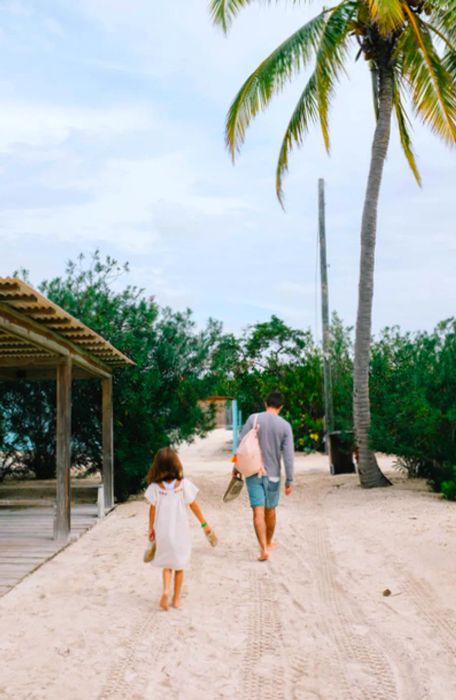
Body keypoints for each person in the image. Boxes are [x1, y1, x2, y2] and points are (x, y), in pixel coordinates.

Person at [145, 447, 214, 611]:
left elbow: (152, 510)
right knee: (180, 565)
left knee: (167, 565)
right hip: (180, 532)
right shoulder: (184, 485)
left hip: (163, 532)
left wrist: (151, 528)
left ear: (157, 467)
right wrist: (204, 524)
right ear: (177, 465)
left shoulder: (155, 488)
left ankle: (166, 590)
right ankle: (176, 598)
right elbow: (194, 506)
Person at [235, 391, 294, 561]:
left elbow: (241, 445)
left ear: (265, 403)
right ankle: (268, 542)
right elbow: (288, 456)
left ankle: (263, 549)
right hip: (273, 475)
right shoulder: (285, 426)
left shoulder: (253, 419)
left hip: (253, 472)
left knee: (257, 512)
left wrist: (236, 467)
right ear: (281, 407)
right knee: (271, 511)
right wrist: (289, 480)